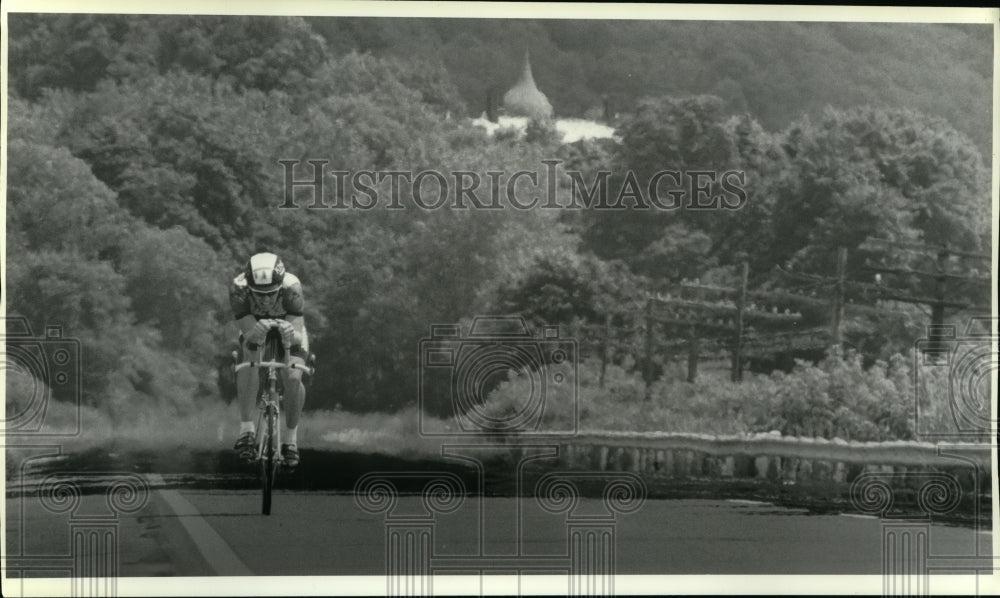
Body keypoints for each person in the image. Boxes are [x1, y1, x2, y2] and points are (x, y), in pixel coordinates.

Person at [229, 252, 308, 467]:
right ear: (249, 287)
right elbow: (248, 334)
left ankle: (290, 441)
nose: (265, 299)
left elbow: (298, 335)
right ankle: (246, 430)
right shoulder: (239, 288)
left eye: (271, 294)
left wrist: (291, 334)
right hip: (254, 328)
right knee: (250, 358)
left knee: (292, 377)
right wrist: (255, 332)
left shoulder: (292, 288)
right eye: (259, 294)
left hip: (288, 328)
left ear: (280, 287)